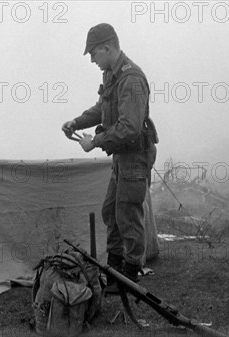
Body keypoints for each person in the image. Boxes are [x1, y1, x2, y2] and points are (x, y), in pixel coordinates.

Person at [61, 23, 158, 282]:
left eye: (94, 53)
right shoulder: (111, 75)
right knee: (111, 211)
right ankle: (115, 269)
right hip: (121, 157)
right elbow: (101, 108)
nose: (92, 59)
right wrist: (77, 122)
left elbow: (130, 127)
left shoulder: (132, 79)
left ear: (107, 47)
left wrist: (96, 141)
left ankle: (131, 272)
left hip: (134, 156)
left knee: (128, 215)